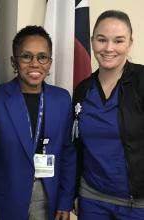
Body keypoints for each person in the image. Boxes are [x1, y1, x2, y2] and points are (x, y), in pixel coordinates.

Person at [0, 25, 76, 220]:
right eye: (26, 56)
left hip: (47, 197)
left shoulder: (62, 99)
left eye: (42, 57)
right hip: (6, 200)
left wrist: (65, 200)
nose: (34, 63)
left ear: (49, 63)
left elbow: (68, 153)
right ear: (14, 62)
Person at [72, 10, 144, 220]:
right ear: (92, 41)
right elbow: (77, 146)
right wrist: (75, 192)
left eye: (118, 41)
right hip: (92, 198)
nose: (109, 48)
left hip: (137, 203)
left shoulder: (141, 81)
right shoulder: (83, 90)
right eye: (102, 40)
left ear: (130, 43)